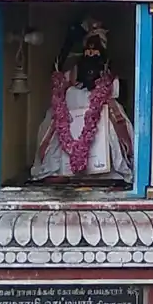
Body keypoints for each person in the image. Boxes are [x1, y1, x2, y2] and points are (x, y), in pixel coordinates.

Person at [31, 16, 134, 184]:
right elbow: (60, 78)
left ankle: (109, 169)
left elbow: (115, 88)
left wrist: (101, 89)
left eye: (98, 43)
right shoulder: (74, 69)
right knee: (57, 118)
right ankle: (59, 169)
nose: (93, 50)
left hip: (101, 106)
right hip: (72, 107)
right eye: (90, 44)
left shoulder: (107, 68)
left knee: (113, 121)